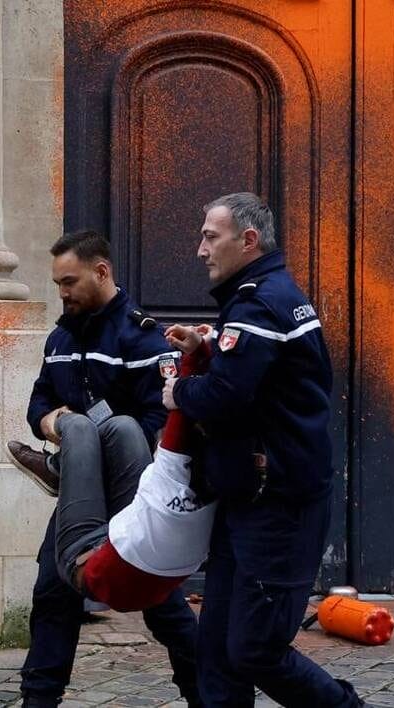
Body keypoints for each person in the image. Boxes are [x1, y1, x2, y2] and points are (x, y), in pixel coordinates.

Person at [163, 193, 363, 707]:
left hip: (278, 505)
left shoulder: (260, 303)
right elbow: (265, 378)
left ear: (248, 240)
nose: (201, 250)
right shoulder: (265, 297)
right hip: (249, 497)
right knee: (216, 651)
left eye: (211, 237)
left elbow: (227, 395)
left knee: (255, 649)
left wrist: (180, 391)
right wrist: (208, 348)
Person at [6, 230, 202, 707]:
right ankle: (38, 701)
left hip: (134, 486)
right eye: (57, 283)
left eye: (69, 281)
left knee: (162, 603)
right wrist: (53, 422)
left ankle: (208, 694)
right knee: (53, 592)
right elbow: (38, 403)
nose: (62, 292)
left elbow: (160, 420)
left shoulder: (145, 337)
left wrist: (94, 439)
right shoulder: (60, 338)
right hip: (82, 489)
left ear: (101, 271)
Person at [39, 343, 218, 613]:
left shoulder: (171, 469)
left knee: (77, 426)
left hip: (91, 567)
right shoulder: (229, 485)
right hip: (144, 560)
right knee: (122, 426)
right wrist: (204, 349)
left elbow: (178, 406)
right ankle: (67, 468)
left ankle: (57, 467)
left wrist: (197, 354)